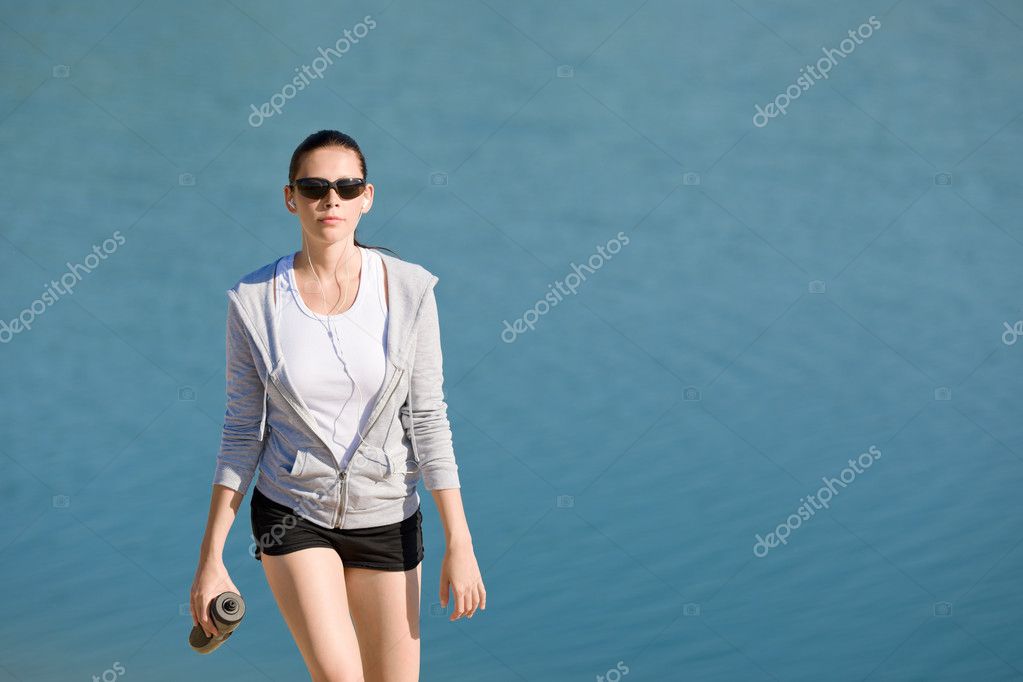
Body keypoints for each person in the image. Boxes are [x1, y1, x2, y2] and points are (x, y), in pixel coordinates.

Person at [191, 130, 486, 681]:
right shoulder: (254, 302)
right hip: (292, 513)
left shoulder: (410, 290)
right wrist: (212, 559)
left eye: (347, 187)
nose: (332, 200)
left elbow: (427, 419)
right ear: (290, 197)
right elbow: (239, 432)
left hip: (388, 515)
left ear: (367, 197)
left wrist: (459, 543)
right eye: (315, 187)